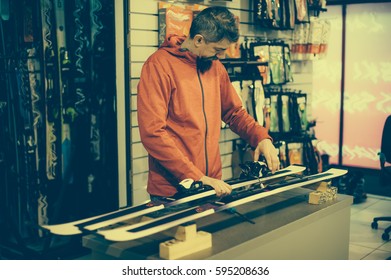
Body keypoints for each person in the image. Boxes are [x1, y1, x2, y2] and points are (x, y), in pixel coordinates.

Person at [137, 6, 279, 198]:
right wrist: (195, 176)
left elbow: (234, 112)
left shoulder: (215, 67)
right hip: (173, 190)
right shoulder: (158, 66)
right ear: (198, 40)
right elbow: (152, 133)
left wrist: (260, 137)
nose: (220, 56)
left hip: (211, 184)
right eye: (218, 50)